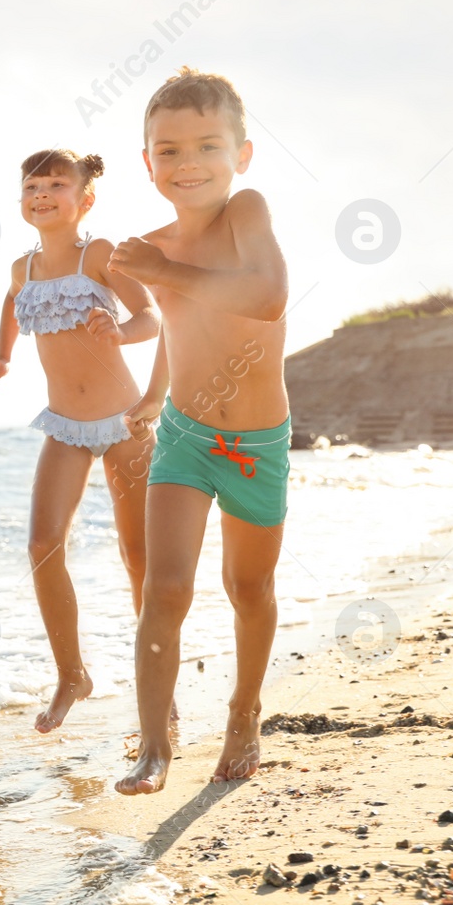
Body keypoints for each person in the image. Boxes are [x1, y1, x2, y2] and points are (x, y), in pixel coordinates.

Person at [108, 66, 291, 795]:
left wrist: (163, 271)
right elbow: (177, 328)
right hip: (184, 435)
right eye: (170, 150)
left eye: (208, 146)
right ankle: (155, 744)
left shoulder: (246, 210)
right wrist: (154, 396)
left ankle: (244, 709)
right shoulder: (152, 246)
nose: (189, 165)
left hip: (255, 445)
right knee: (165, 586)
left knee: (248, 585)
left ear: (241, 153)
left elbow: (268, 298)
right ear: (147, 162)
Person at [0, 149, 160, 733]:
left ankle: (158, 684)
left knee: (139, 557)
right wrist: (2, 355)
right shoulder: (21, 269)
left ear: (85, 198)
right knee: (42, 545)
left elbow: (152, 314)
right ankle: (71, 674)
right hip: (64, 426)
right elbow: (11, 304)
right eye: (32, 184)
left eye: (57, 183)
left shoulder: (98, 253)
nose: (42, 194)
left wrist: (122, 330)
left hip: (125, 424)